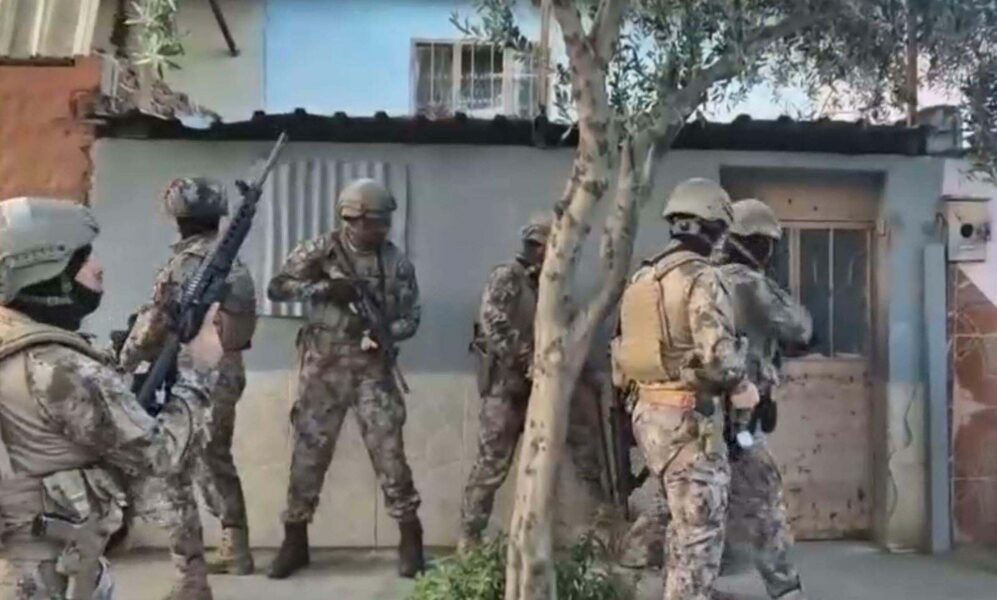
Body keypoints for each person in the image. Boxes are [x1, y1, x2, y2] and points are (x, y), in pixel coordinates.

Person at [0, 196, 223, 600]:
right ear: (47, 273)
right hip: (44, 578)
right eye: (83, 258)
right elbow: (160, 456)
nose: (98, 267)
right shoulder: (59, 367)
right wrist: (199, 370)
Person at [266, 178, 424, 579]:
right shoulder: (323, 249)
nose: (381, 230)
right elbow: (278, 287)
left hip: (372, 371)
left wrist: (386, 334)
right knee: (308, 455)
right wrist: (325, 289)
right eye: (374, 222)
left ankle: (411, 538)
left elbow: (411, 317)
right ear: (351, 219)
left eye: (384, 222)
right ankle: (295, 539)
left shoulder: (396, 263)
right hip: (323, 369)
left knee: (390, 454)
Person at [610, 178, 751, 600]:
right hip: (689, 420)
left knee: (681, 527)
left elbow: (622, 355)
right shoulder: (700, 278)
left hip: (649, 418)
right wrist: (743, 385)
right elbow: (720, 358)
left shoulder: (644, 276)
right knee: (700, 538)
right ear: (712, 224)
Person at [120, 177, 258, 592]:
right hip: (227, 368)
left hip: (194, 369)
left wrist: (124, 360)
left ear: (177, 218)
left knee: (183, 463)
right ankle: (234, 546)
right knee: (213, 457)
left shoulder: (187, 264)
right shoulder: (231, 262)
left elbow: (155, 323)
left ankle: (202, 564)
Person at [459, 217, 611, 553]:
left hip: (550, 385)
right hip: (509, 387)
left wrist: (580, 369)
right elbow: (493, 326)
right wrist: (529, 359)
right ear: (539, 246)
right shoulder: (507, 277)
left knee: (585, 451)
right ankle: (470, 537)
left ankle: (604, 527)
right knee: (491, 464)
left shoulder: (553, 283)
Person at [715, 198, 812, 600]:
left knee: (690, 506)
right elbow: (800, 327)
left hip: (697, 420)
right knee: (765, 503)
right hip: (739, 425)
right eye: (768, 243)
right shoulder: (748, 283)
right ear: (756, 242)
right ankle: (785, 588)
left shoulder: (702, 278)